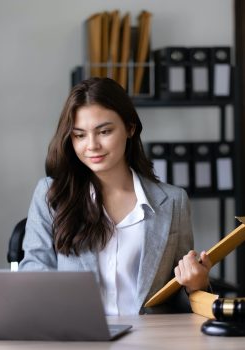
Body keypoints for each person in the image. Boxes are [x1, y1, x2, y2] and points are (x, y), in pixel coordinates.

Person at [19, 77, 211, 315]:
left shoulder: (173, 202)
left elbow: (178, 298)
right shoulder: (52, 195)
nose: (92, 145)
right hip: (79, 336)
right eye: (79, 135)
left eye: (104, 131)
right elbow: (34, 275)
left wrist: (196, 286)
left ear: (130, 128)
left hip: (152, 338)